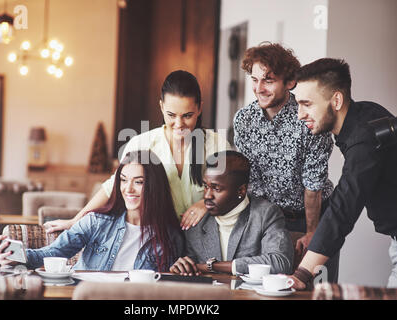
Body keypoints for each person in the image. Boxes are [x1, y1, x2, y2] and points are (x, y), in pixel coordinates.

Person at [43, 70, 231, 233]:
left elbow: (234, 191)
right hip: (157, 240)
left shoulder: (218, 146)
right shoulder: (142, 143)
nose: (179, 124)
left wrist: (205, 203)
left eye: (187, 116)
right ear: (161, 107)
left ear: (199, 108)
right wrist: (75, 221)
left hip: (204, 242)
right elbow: (112, 187)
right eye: (171, 115)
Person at [232, 42, 339, 282]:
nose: (259, 88)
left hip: (312, 216)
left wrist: (312, 232)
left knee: (316, 290)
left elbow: (313, 185)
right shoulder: (243, 120)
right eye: (254, 79)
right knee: (266, 287)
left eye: (268, 80)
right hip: (267, 219)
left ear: (289, 82)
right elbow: (247, 178)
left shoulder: (309, 118)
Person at [290, 58, 397, 289]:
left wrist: (301, 274)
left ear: (336, 100)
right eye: (298, 104)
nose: (300, 114)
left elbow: (343, 209)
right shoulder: (366, 112)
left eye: (307, 104)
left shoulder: (364, 136)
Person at [0, 150, 184, 272]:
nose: (128, 189)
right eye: (124, 180)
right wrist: (12, 254)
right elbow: (52, 252)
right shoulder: (97, 222)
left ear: (154, 187)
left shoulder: (169, 236)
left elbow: (167, 286)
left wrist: (180, 270)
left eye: (139, 182)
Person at [169, 150, 293, 276]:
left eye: (216, 188)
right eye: (205, 186)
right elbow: (192, 268)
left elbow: (280, 263)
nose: (207, 195)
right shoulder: (196, 221)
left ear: (241, 190)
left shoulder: (265, 214)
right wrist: (183, 267)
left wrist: (213, 266)